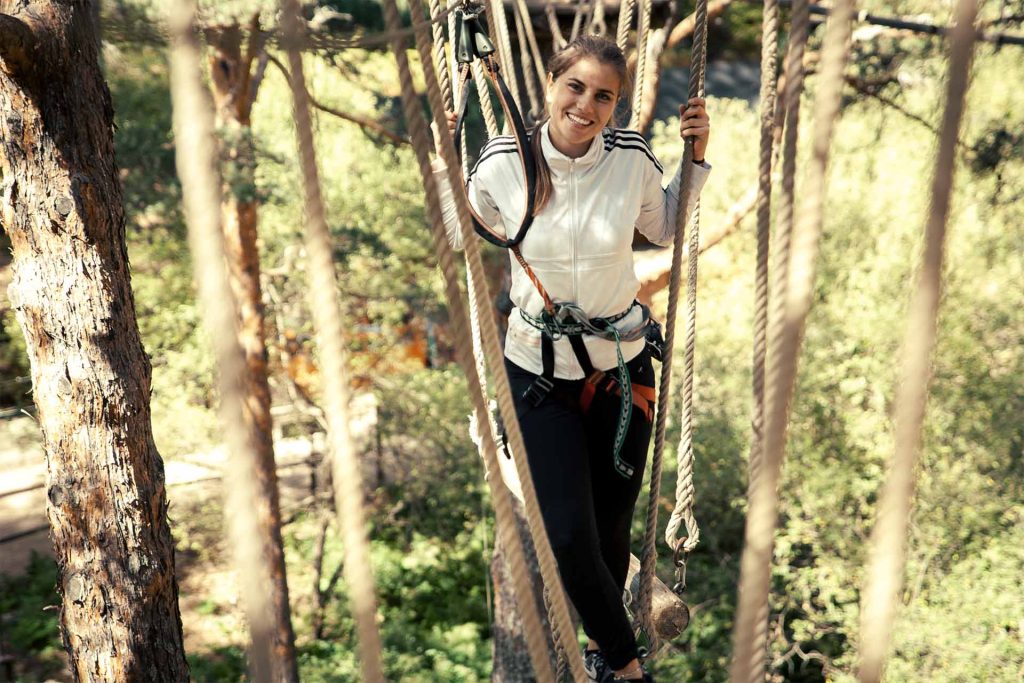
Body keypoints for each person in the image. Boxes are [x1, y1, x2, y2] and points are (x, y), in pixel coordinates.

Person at [433, 34, 710, 683]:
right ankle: (628, 666)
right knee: (565, 536)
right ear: (552, 85)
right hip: (539, 376)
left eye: (603, 96)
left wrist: (695, 155)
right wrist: (443, 159)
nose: (586, 105)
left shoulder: (630, 157)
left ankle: (602, 654)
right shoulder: (506, 164)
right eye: (575, 87)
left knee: (611, 532)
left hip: (621, 369)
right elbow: (456, 229)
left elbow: (666, 224)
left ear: (615, 106)